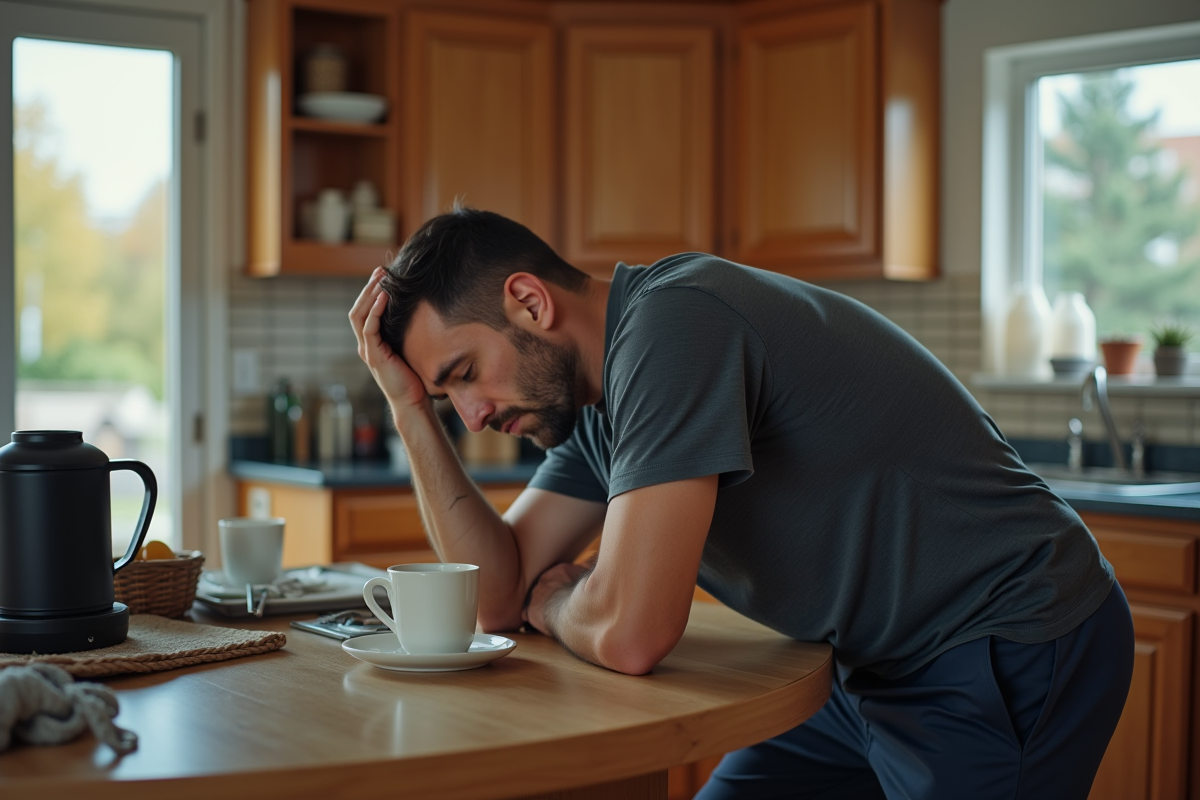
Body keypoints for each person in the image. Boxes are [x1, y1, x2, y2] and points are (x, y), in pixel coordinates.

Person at [349, 206, 1133, 800]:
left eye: (460, 375)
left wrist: (557, 602)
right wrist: (409, 409)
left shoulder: (673, 323)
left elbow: (630, 634)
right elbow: (492, 599)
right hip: (866, 674)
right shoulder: (595, 408)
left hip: (1002, 643)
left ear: (529, 302)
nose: (474, 414)